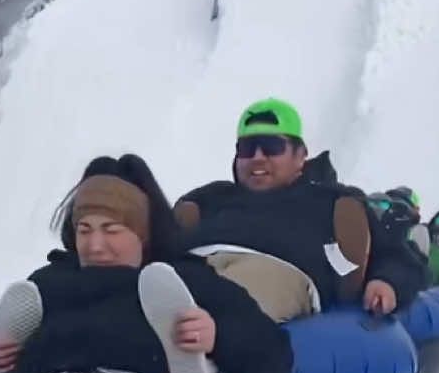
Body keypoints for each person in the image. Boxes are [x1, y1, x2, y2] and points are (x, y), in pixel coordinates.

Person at [0, 154, 292, 373]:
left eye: (110, 230)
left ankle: (196, 366)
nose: (94, 245)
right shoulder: (48, 282)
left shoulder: (183, 279)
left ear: (142, 233)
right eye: (84, 230)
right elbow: (8, 356)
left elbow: (273, 358)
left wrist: (217, 337)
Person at [173, 98, 425, 324]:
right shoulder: (210, 198)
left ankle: (199, 352)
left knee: (232, 293)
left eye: (272, 146)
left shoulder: (331, 201)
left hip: (277, 273)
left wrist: (387, 282)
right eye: (247, 149)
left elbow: (396, 255)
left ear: (300, 155)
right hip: (197, 263)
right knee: (172, 284)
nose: (258, 157)